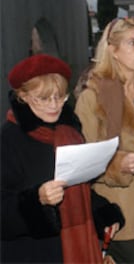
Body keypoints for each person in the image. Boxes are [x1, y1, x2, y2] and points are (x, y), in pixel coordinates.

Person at [1, 54, 124, 263]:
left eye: (60, 96)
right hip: (31, 253)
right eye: (44, 98)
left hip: (74, 249)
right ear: (22, 96)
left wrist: (104, 214)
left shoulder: (70, 133)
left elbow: (78, 190)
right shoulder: (9, 140)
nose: (54, 105)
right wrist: (37, 200)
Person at [74, 17, 134, 263]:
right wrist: (119, 164)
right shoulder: (93, 97)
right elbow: (85, 159)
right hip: (118, 208)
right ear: (112, 50)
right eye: (131, 43)